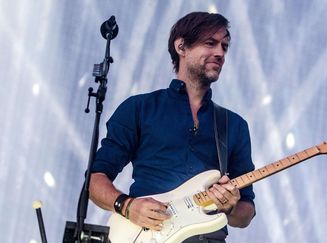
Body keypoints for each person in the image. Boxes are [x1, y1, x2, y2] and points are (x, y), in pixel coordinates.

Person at [89, 11, 256, 242]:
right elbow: (95, 180)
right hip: (148, 235)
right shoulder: (139, 108)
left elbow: (246, 214)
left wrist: (230, 207)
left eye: (224, 47)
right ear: (181, 46)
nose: (220, 53)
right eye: (210, 43)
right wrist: (127, 206)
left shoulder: (234, 125)